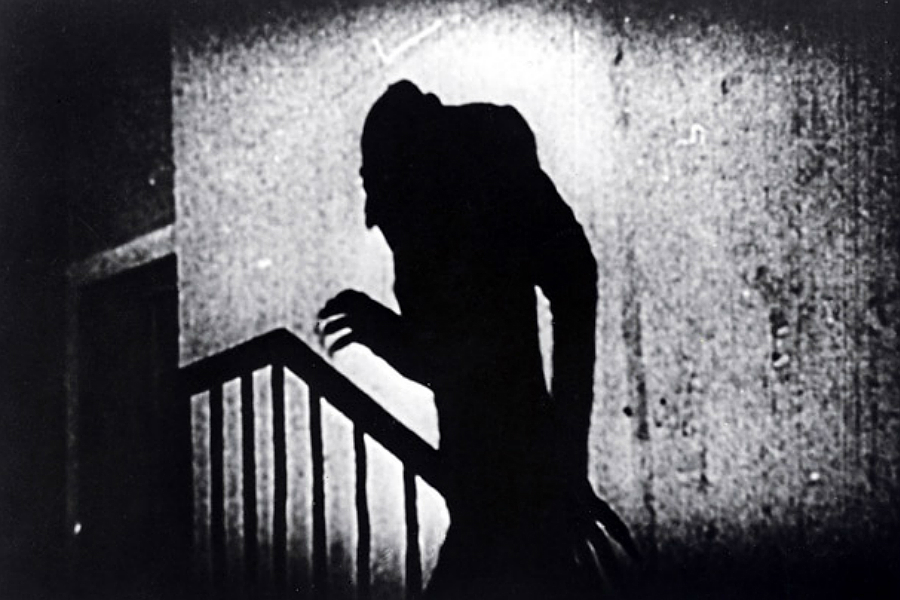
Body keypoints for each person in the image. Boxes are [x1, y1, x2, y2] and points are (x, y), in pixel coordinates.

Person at [317, 81, 637, 599]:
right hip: (491, 491)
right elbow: (454, 358)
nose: (371, 216)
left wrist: (565, 457)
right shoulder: (440, 210)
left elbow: (570, 280)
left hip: (510, 491)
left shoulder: (472, 185)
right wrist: (383, 332)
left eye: (373, 183)